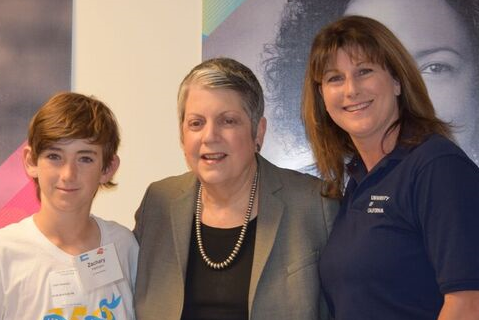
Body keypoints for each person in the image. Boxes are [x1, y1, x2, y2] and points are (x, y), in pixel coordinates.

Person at [303, 16, 479, 319]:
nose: (351, 90)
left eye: (364, 71)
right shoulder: (357, 182)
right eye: (334, 78)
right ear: (322, 96)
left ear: (397, 81)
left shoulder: (438, 168)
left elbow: (466, 304)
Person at [133, 58, 337, 319]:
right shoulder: (158, 202)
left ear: (258, 132)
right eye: (196, 123)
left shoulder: (314, 203)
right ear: (182, 135)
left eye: (228, 121)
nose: (209, 136)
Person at [263, 0, 479, 180]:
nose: (409, 87)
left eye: (435, 67)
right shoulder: (348, 185)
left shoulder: (444, 174)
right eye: (336, 77)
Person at [0, 92, 138, 320]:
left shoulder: (123, 245)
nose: (68, 174)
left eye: (85, 159)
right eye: (54, 156)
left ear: (107, 168)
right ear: (31, 161)